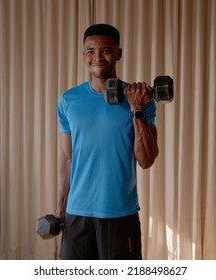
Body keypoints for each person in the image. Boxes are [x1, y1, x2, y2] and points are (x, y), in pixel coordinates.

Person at [56, 23, 159, 260]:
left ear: (118, 53)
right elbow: (67, 157)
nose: (98, 57)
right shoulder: (69, 100)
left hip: (119, 212)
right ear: (83, 55)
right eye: (91, 51)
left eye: (106, 50)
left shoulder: (140, 98)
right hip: (77, 213)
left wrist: (137, 109)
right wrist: (61, 208)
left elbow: (146, 160)